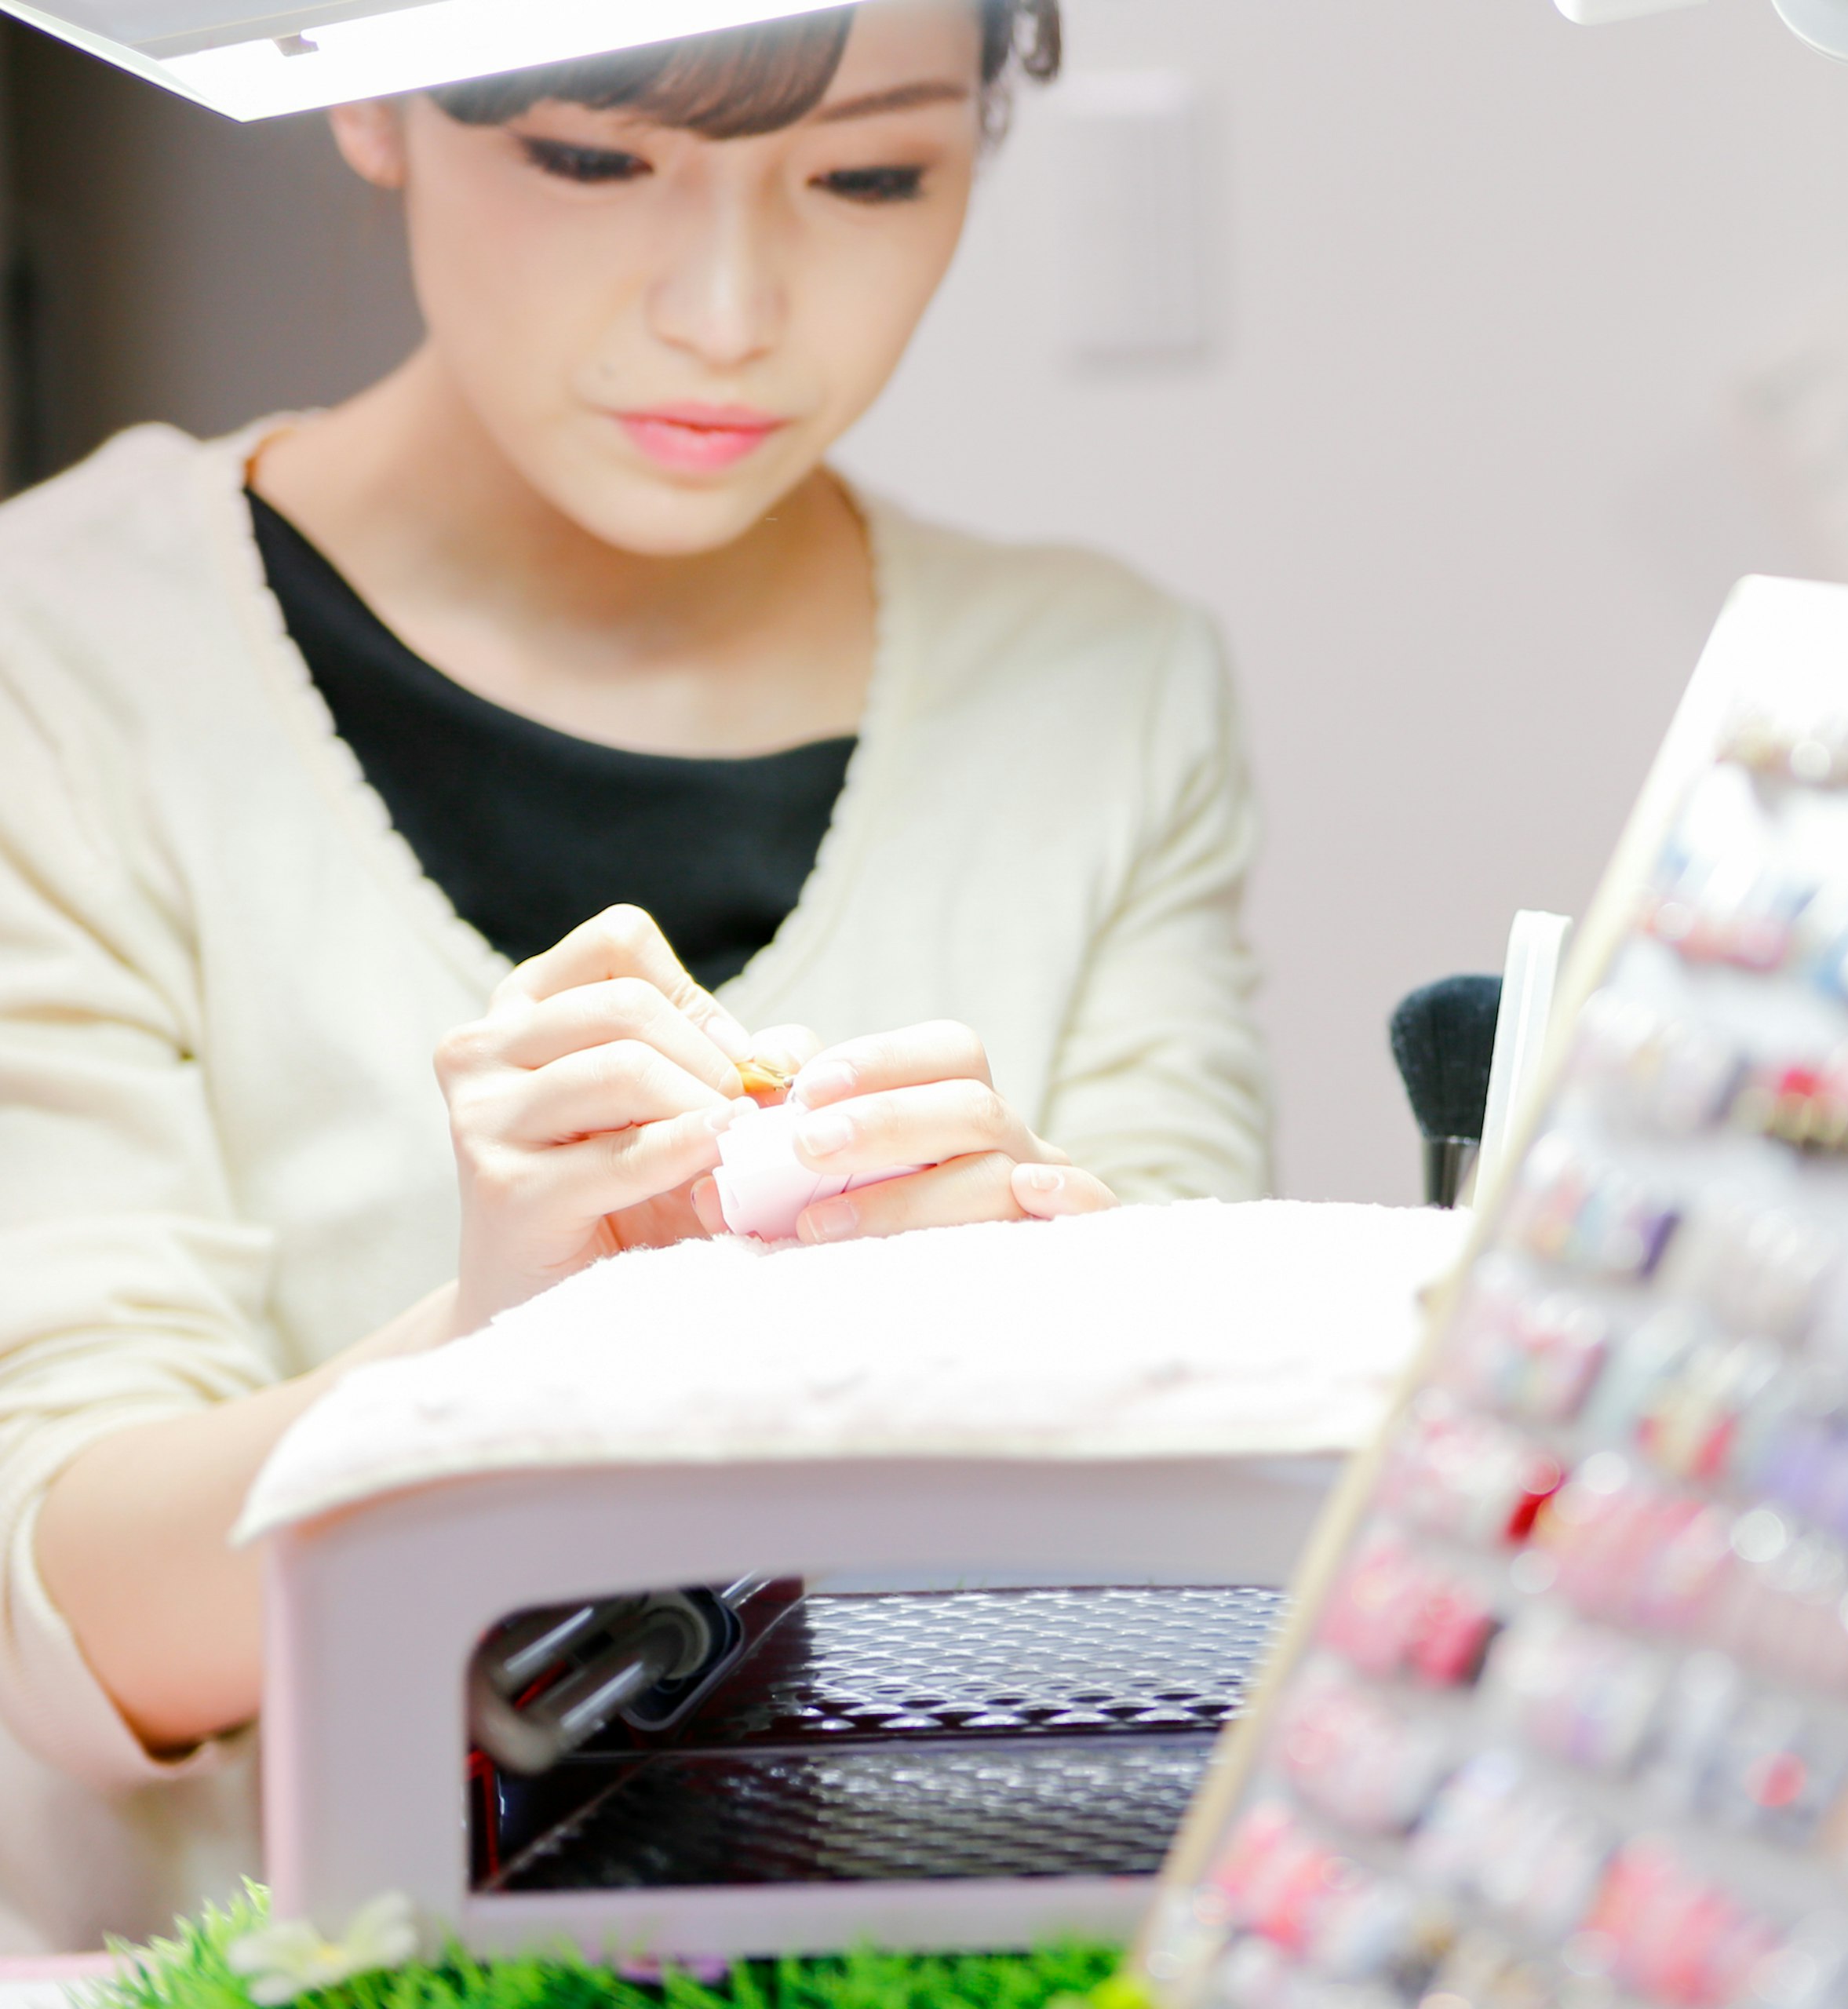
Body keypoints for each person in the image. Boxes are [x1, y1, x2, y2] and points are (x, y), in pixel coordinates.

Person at [0, 0, 1271, 1947]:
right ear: (372, 96)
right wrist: (486, 1364)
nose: (731, 310)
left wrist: (1048, 1312)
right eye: (595, 158)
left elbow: (1208, 1616)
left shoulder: (1104, 696)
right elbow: (76, 1629)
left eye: (871, 173)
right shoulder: (67, 656)